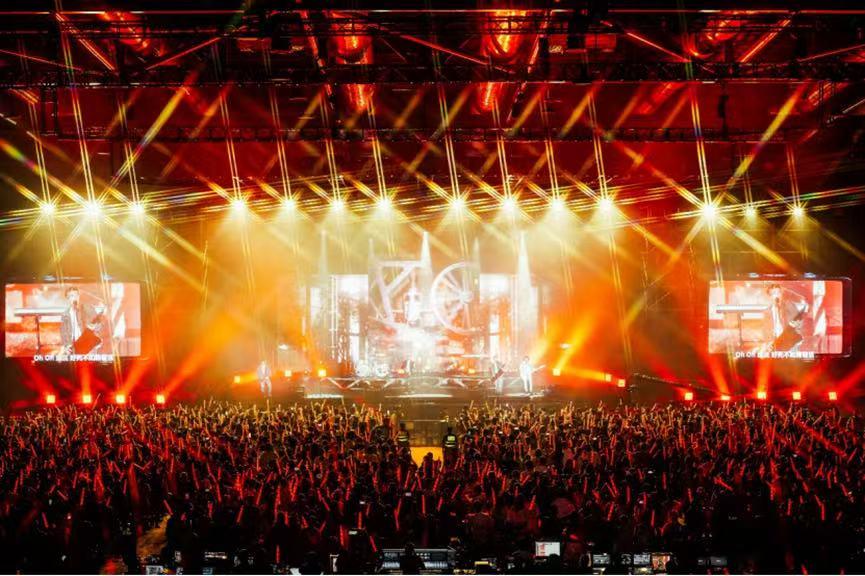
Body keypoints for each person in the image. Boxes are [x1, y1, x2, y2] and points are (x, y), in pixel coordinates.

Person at [766, 283, 809, 351]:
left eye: (778, 293)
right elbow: (766, 330)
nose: (777, 295)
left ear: (781, 294)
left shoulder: (789, 305)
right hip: (777, 342)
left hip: (790, 342)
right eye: (774, 293)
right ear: (770, 296)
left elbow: (799, 321)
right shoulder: (767, 311)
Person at [60, 286, 103, 354]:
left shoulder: (87, 307)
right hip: (74, 348)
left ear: (79, 296)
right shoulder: (65, 314)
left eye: (76, 295)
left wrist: (94, 328)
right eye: (72, 296)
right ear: (68, 299)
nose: (75, 298)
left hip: (88, 346)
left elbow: (99, 324)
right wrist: (67, 346)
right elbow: (63, 332)